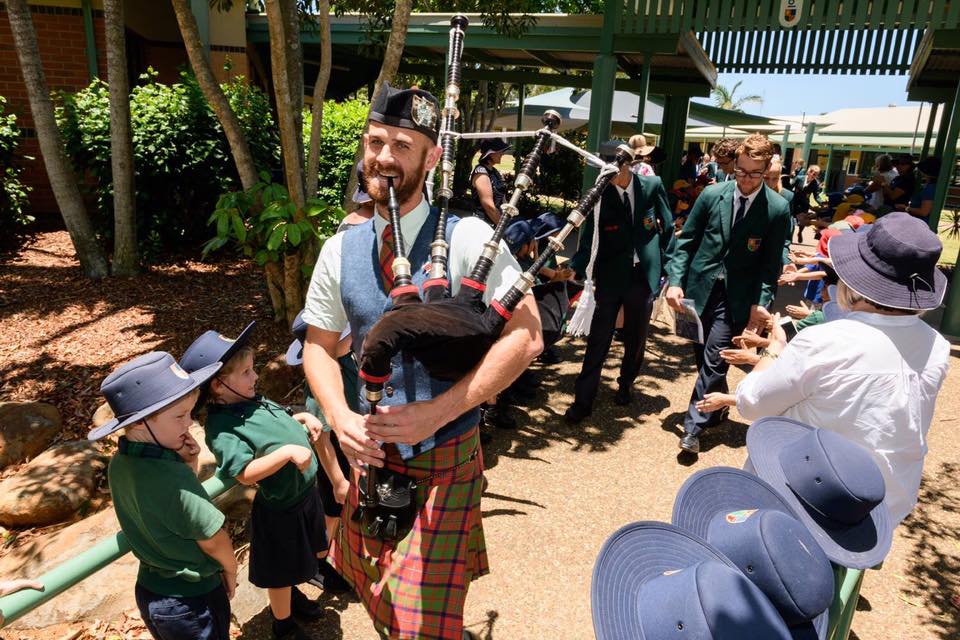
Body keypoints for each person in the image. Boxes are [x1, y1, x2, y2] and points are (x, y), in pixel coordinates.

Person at [300, 84, 542, 640]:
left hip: (444, 457)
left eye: (402, 146)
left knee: (419, 626)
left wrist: (439, 411)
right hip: (372, 461)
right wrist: (339, 417)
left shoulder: (468, 238)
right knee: (378, 596)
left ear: (432, 158)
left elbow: (526, 336)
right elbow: (317, 345)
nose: (383, 157)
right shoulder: (341, 248)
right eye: (375, 142)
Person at [735, 212, 950, 525]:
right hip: (883, 505)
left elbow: (751, 404)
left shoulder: (825, 340)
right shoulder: (936, 345)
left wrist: (774, 348)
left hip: (804, 497)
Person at [183, 327, 329, 640]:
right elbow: (244, 472)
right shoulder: (223, 427)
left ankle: (292, 598)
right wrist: (287, 453)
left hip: (303, 496)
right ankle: (283, 625)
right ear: (218, 386)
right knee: (281, 571)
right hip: (281, 509)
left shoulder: (250, 400)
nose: (256, 376)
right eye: (246, 372)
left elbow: (273, 425)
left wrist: (300, 420)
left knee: (299, 558)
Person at [88, 352, 236, 640]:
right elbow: (212, 538)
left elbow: (170, 509)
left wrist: (188, 463)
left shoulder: (121, 462)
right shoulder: (171, 479)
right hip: (192, 600)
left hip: (153, 593)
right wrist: (230, 569)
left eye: (189, 413)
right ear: (140, 422)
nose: (189, 423)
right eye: (179, 416)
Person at [665, 133, 792, 455]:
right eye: (742, 171)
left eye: (755, 174)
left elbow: (770, 264)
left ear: (767, 170)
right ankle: (718, 405)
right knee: (702, 356)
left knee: (715, 358)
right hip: (699, 290)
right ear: (734, 165)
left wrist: (760, 304)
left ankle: (693, 428)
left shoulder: (777, 208)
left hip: (736, 297)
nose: (746, 180)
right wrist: (676, 281)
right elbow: (686, 242)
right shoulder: (711, 195)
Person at [564, 141, 673, 422]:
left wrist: (668, 267)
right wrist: (576, 266)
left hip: (642, 274)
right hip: (611, 274)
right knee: (599, 337)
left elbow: (668, 227)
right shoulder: (600, 194)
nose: (609, 174)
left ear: (628, 165)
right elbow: (590, 236)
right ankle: (583, 400)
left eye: (614, 168)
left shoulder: (652, 186)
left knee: (636, 337)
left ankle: (626, 383)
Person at [471, 137, 511, 226]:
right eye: (500, 151)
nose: (502, 154)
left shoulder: (495, 172)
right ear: (491, 154)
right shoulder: (481, 172)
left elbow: (503, 199)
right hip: (484, 225)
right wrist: (503, 227)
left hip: (497, 221)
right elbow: (489, 207)